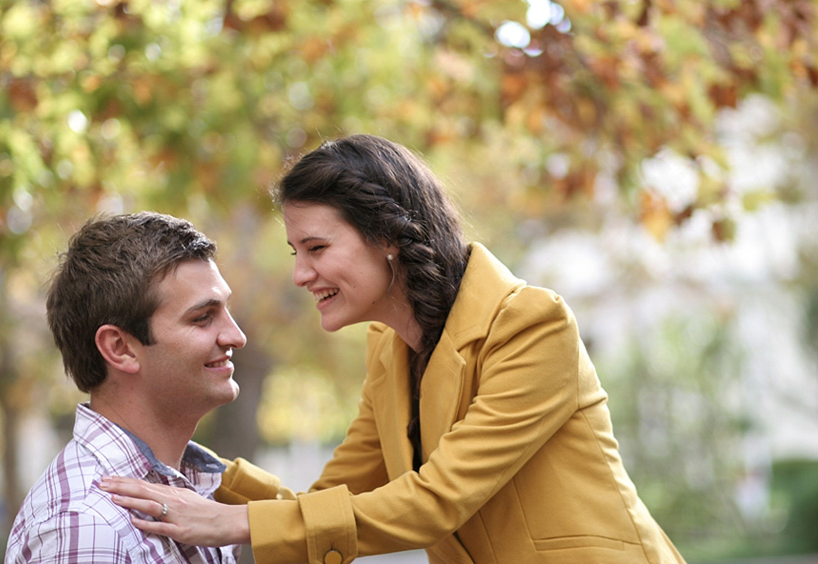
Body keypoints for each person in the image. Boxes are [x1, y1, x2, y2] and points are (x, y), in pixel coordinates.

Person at [100, 135, 687, 564]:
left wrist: (236, 522)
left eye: (317, 248)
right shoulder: (390, 349)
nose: (301, 274)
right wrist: (207, 473)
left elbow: (437, 501)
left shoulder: (532, 325)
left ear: (386, 236)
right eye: (295, 252)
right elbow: (328, 505)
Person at [5, 212, 246, 564]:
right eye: (202, 318)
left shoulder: (190, 494)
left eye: (226, 310)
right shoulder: (87, 525)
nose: (236, 336)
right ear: (120, 348)